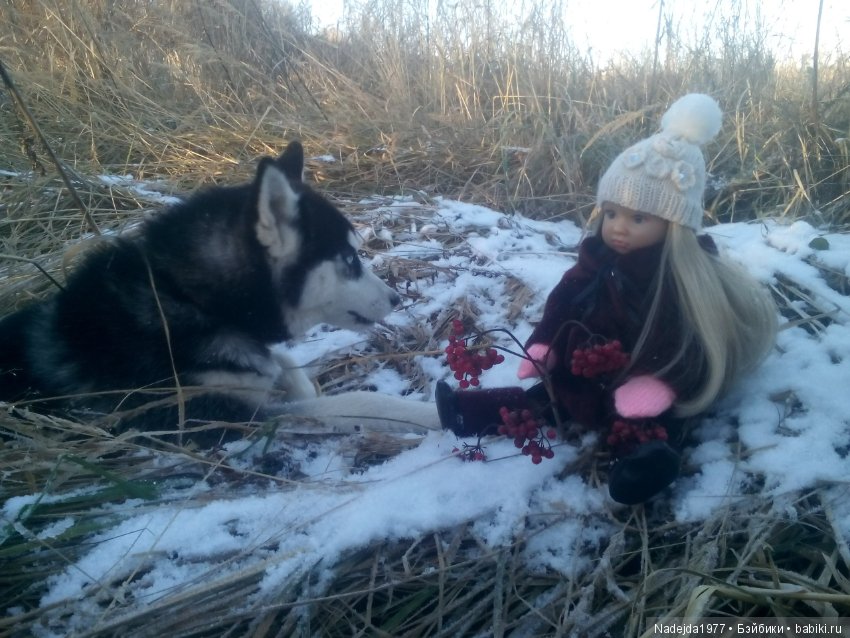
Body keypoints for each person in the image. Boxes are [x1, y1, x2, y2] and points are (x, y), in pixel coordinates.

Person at [436, 94, 778, 504]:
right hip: (586, 368)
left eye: (638, 219)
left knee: (639, 422)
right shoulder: (595, 259)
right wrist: (545, 341)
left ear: (673, 224)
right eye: (612, 213)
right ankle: (469, 411)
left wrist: (659, 382)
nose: (619, 228)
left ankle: (643, 464)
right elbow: (564, 300)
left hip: (639, 374)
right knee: (545, 400)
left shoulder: (679, 280)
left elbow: (687, 340)